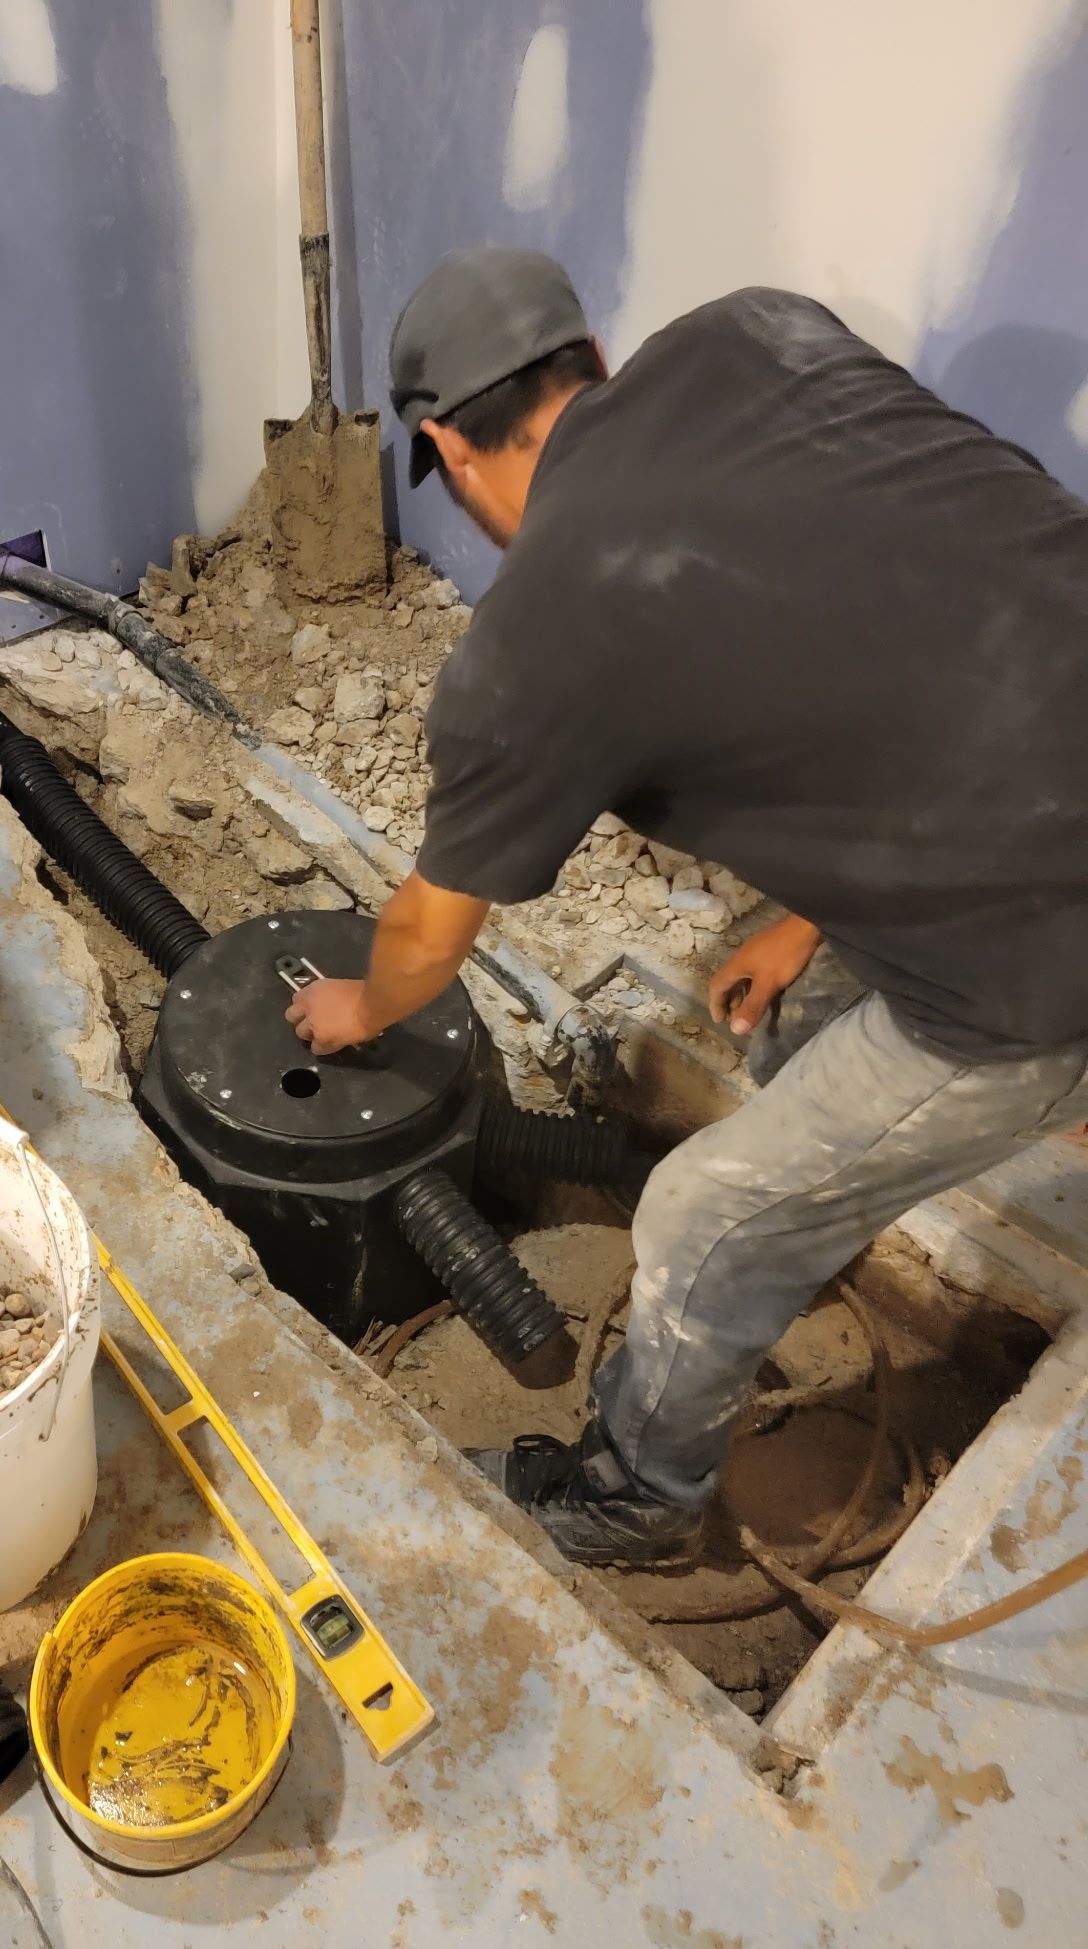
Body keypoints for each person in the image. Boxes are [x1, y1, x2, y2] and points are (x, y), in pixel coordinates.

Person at [285, 246, 1088, 1564]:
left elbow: (429, 934)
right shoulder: (762, 334)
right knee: (780, 1028)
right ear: (593, 360)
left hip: (1036, 974)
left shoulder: (534, 648)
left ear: (447, 446)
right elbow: (942, 627)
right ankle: (805, 1222)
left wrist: (359, 1003)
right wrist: (813, 912)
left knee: (696, 1218)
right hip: (1043, 810)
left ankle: (635, 1504)